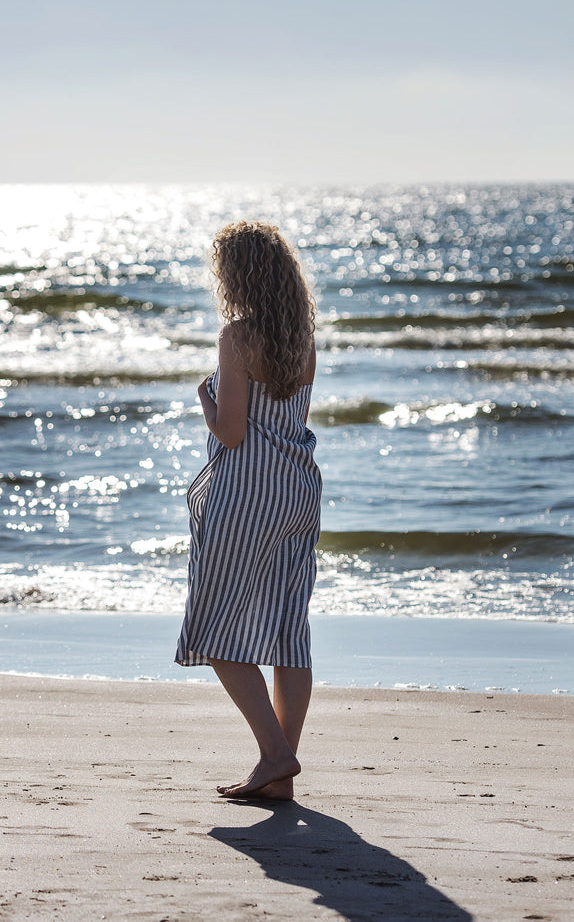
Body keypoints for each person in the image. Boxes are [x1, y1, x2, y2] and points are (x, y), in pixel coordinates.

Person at [175, 220, 322, 801]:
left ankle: (275, 755)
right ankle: (279, 771)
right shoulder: (302, 338)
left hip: (247, 493)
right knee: (289, 632)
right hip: (298, 489)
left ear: (235, 277)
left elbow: (233, 434)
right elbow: (290, 418)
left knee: (214, 629)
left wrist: (206, 403)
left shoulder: (238, 337)